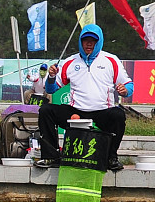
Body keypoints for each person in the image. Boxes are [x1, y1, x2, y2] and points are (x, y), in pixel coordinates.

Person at [35, 23, 132, 171]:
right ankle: (51, 156)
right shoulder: (69, 62)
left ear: (98, 42)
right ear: (80, 41)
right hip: (76, 111)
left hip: (102, 111)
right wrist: (51, 77)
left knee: (118, 115)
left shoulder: (111, 60)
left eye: (93, 41)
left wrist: (124, 90)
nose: (89, 44)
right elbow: (51, 89)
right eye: (85, 40)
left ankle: (111, 157)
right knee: (46, 110)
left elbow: (129, 86)